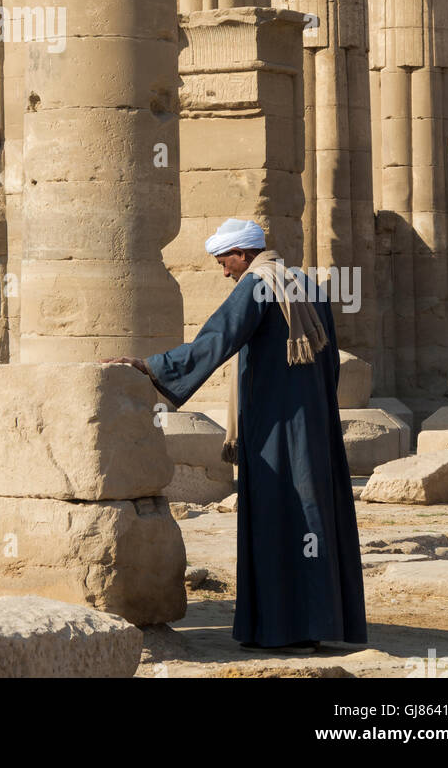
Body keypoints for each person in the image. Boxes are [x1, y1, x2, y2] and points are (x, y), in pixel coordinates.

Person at [105, 218, 367, 651]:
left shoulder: (257, 285)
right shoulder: (306, 284)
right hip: (313, 424)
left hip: (275, 427)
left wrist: (153, 366)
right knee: (309, 519)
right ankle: (312, 624)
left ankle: (279, 631)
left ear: (243, 254)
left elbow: (217, 338)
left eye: (224, 261)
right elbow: (331, 361)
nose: (223, 270)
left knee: (276, 516)